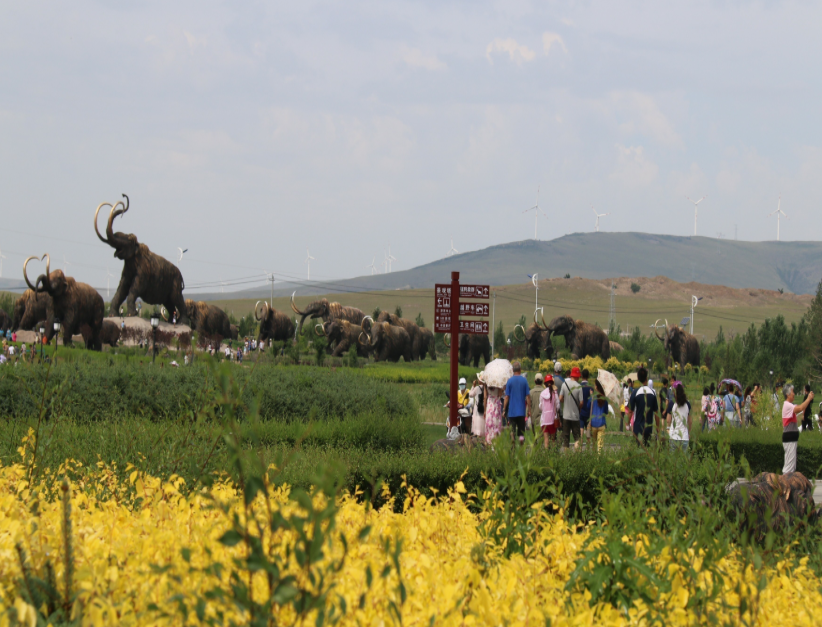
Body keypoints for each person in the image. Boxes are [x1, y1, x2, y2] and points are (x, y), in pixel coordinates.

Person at [782, 384, 814, 474]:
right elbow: (800, 408)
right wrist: (808, 398)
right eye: (792, 392)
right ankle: (786, 483)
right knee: (789, 466)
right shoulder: (787, 405)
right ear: (788, 394)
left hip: (791, 439)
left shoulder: (789, 405)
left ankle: (788, 482)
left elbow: (801, 407)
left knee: (791, 465)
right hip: (789, 439)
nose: (794, 394)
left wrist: (808, 399)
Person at [629, 366, 658, 447]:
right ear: (646, 378)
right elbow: (656, 412)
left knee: (638, 448)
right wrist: (658, 428)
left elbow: (630, 411)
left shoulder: (635, 392)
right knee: (646, 449)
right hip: (648, 427)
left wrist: (627, 424)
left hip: (637, 427)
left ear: (638, 379)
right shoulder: (652, 393)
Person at [504, 362, 530, 443]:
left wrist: (504, 409)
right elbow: (528, 397)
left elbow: (507, 397)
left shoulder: (509, 381)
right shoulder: (524, 381)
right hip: (521, 411)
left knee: (512, 432)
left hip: (512, 412)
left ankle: (513, 448)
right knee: (521, 433)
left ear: (512, 370)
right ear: (520, 370)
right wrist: (529, 409)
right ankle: (521, 450)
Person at [558, 366, 584, 449]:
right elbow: (581, 402)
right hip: (575, 416)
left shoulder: (564, 384)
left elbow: (560, 398)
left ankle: (567, 457)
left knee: (566, 438)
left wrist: (565, 402)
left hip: (566, 416)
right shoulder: (579, 386)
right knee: (577, 438)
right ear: (577, 376)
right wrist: (578, 408)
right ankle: (577, 455)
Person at [666, 382, 692, 451]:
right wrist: (688, 432)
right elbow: (690, 421)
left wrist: (668, 429)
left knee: (672, 460)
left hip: (673, 436)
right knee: (684, 460)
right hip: (684, 437)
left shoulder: (672, 403)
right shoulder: (688, 404)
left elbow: (668, 420)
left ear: (674, 392)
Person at [539, 374, 560, 448]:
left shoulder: (542, 394)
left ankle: (546, 456)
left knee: (546, 439)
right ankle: (553, 455)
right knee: (553, 439)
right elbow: (558, 406)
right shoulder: (554, 393)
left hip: (544, 420)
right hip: (552, 420)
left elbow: (540, 406)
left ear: (545, 383)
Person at [589, 379, 609, 453]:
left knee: (594, 444)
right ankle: (599, 459)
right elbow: (606, 411)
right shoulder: (604, 398)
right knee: (600, 446)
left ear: (596, 386)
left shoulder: (592, 397)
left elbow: (588, 407)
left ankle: (594, 460)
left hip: (593, 424)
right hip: (601, 424)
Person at [578, 369, 592, 449]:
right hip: (589, 412)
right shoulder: (591, 387)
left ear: (581, 376)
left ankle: (579, 449)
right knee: (588, 434)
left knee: (581, 431)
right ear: (588, 376)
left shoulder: (579, 386)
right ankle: (588, 450)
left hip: (581, 412)